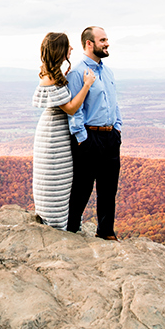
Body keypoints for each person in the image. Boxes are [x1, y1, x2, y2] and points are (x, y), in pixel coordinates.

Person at [31, 32, 95, 230]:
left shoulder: (53, 73)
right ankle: (54, 224)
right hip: (53, 135)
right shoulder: (51, 77)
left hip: (57, 131)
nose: (72, 49)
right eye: (68, 46)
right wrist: (86, 85)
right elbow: (70, 108)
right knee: (54, 179)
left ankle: (61, 223)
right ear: (60, 50)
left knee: (62, 178)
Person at [65, 26, 123, 240]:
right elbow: (75, 109)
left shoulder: (108, 72)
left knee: (109, 189)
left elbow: (113, 102)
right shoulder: (77, 72)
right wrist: (82, 138)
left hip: (110, 136)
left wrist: (117, 128)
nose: (107, 43)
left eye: (106, 39)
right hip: (89, 137)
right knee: (82, 188)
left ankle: (106, 231)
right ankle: (71, 230)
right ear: (89, 44)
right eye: (102, 40)